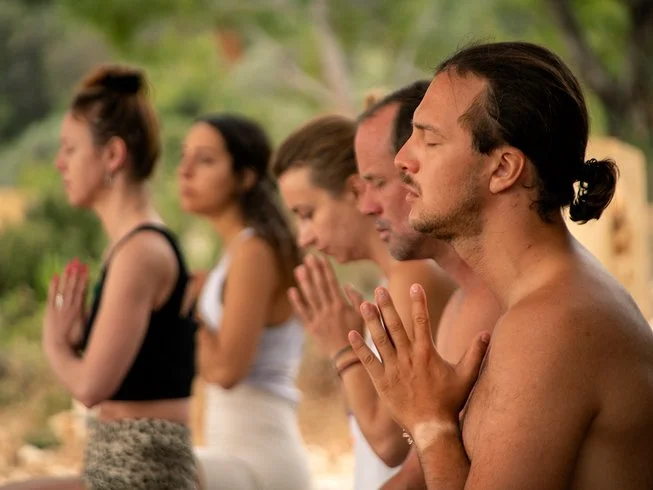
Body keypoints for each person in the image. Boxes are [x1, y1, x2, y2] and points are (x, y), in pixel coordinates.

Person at [351, 41, 653, 489]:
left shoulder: (552, 323)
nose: (402, 160)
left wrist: (430, 424)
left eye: (430, 140)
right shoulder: (542, 303)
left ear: (504, 169)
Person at [3, 66, 198, 490]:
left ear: (112, 155)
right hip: (116, 465)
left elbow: (91, 387)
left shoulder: (141, 252)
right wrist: (81, 340)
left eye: (70, 149)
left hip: (143, 474)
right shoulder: (128, 247)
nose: (60, 164)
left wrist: (56, 344)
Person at [271, 114, 456, 490]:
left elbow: (388, 443)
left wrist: (343, 349)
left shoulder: (412, 278)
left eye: (308, 214)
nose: (305, 238)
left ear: (354, 192)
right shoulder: (395, 280)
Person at [177, 113, 311, 490]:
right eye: (184, 156)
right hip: (233, 455)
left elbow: (226, 371)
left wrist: (191, 312)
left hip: (259, 462)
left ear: (245, 177)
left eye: (205, 160)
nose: (185, 171)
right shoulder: (238, 251)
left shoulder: (254, 251)